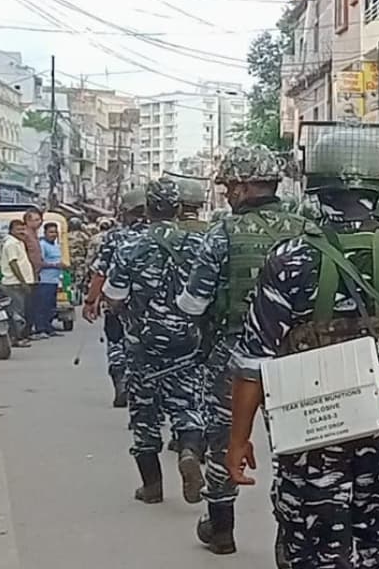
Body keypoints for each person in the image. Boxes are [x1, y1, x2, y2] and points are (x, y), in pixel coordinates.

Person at [225, 123, 379, 569]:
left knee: (313, 549)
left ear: (316, 185)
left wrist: (238, 439)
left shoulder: (290, 259)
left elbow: (253, 363)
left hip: (309, 435)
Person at [180, 144, 308, 556]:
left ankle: (221, 529)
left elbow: (194, 303)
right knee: (294, 441)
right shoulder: (306, 227)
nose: (226, 194)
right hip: (297, 354)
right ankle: (291, 538)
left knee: (223, 440)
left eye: (229, 187)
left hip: (234, 356)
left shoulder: (223, 233)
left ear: (241, 187)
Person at [104, 177, 207, 506]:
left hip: (142, 345)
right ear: (178, 208)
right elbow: (207, 295)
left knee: (145, 416)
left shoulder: (130, 246)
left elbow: (114, 296)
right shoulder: (198, 244)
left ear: (147, 209)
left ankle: (152, 487)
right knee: (187, 406)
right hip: (187, 342)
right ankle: (189, 451)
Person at [85, 189, 148, 407]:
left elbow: (100, 272)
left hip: (117, 302)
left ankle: (120, 379)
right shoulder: (162, 234)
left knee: (116, 344)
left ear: (125, 212)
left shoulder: (116, 237)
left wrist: (90, 301)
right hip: (155, 307)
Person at [0, 220, 34, 348]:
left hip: (17, 283)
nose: (21, 232)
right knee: (16, 313)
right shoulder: (11, 244)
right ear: (11, 230)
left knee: (19, 311)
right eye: (18, 229)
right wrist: (23, 281)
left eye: (23, 229)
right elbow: (13, 263)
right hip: (13, 283)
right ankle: (16, 338)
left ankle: (17, 337)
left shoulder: (19, 242)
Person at [35, 221, 64, 339]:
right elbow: (39, 263)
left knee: (51, 306)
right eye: (51, 232)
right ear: (45, 233)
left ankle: (49, 327)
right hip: (44, 280)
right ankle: (40, 329)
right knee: (42, 306)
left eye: (55, 232)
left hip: (54, 280)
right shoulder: (42, 245)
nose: (53, 234)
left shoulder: (56, 245)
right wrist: (55, 265)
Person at [67, 217, 90, 306]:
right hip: (80, 260)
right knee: (79, 280)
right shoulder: (84, 236)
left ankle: (70, 296)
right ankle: (77, 297)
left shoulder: (66, 235)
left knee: (69, 279)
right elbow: (88, 248)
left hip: (69, 260)